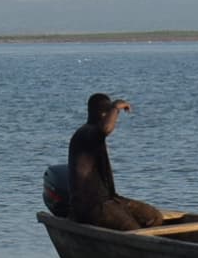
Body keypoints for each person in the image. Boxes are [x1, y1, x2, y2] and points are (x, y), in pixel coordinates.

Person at [66, 92, 165, 230]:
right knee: (134, 230)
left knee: (154, 217)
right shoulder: (86, 133)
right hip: (90, 206)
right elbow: (105, 129)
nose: (111, 119)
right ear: (101, 114)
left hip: (109, 200)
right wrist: (116, 107)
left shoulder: (93, 135)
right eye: (107, 114)